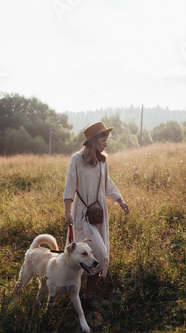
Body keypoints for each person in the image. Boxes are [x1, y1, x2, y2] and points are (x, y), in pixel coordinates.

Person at [63, 121, 129, 314]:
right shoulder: (76, 159)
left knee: (98, 254)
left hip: (98, 214)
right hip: (81, 214)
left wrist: (120, 200)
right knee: (78, 256)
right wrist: (67, 212)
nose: (106, 144)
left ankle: (87, 297)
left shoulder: (102, 161)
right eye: (103, 139)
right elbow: (69, 186)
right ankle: (70, 293)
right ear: (93, 140)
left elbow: (107, 183)